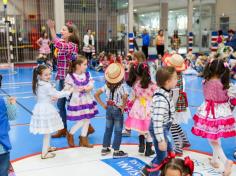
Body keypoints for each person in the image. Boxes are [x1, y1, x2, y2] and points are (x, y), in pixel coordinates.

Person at [47, 20, 93, 138]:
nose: (61, 32)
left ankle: (88, 126)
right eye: (61, 29)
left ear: (70, 33)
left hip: (70, 80)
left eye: (63, 30)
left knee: (77, 104)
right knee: (60, 104)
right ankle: (63, 129)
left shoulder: (72, 46)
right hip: (62, 77)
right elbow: (56, 42)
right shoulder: (63, 42)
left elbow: (57, 44)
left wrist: (52, 28)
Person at [191, 59, 236, 176]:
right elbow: (231, 99)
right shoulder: (226, 84)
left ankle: (226, 161)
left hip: (210, 112)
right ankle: (215, 160)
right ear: (222, 70)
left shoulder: (205, 81)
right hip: (222, 112)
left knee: (212, 139)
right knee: (215, 137)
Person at [30, 65, 72, 159]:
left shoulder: (38, 83)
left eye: (49, 74)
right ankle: (44, 153)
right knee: (47, 132)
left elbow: (43, 96)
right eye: (46, 75)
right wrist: (68, 92)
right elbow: (57, 94)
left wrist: (51, 97)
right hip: (46, 109)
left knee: (47, 131)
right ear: (40, 75)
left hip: (41, 107)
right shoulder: (46, 85)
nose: (48, 76)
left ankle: (47, 147)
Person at [141, 66, 177, 176]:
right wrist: (161, 140)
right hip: (159, 130)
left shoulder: (166, 91)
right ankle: (152, 173)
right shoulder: (161, 98)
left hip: (164, 128)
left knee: (169, 152)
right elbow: (157, 122)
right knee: (162, 157)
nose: (177, 80)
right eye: (175, 78)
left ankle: (147, 169)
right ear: (168, 81)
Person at [94, 63, 128, 158]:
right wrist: (123, 106)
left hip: (108, 108)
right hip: (117, 109)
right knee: (118, 130)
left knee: (108, 129)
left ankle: (105, 148)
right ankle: (116, 151)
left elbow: (96, 94)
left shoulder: (106, 85)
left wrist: (103, 105)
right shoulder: (122, 86)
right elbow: (125, 96)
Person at [124, 62, 157, 156]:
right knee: (149, 128)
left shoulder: (136, 84)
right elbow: (156, 96)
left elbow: (133, 96)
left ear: (137, 73)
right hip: (149, 107)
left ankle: (141, 146)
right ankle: (148, 150)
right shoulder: (153, 85)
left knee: (140, 126)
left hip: (138, 106)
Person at [65, 56, 98, 148]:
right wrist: (60, 93)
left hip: (87, 99)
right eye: (84, 64)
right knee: (81, 121)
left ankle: (83, 139)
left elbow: (91, 85)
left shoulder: (87, 74)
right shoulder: (70, 76)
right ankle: (70, 133)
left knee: (87, 119)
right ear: (78, 66)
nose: (86, 66)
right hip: (77, 101)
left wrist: (87, 88)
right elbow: (67, 88)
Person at [162, 53, 191, 156]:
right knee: (175, 123)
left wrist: (170, 107)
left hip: (174, 103)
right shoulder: (180, 76)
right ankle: (185, 140)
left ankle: (178, 147)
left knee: (172, 125)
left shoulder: (174, 78)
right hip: (180, 102)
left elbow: (174, 92)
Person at [0, 95, 16, 176]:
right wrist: (12, 104)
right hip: (2, 146)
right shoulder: (3, 101)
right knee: (3, 171)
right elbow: (12, 116)